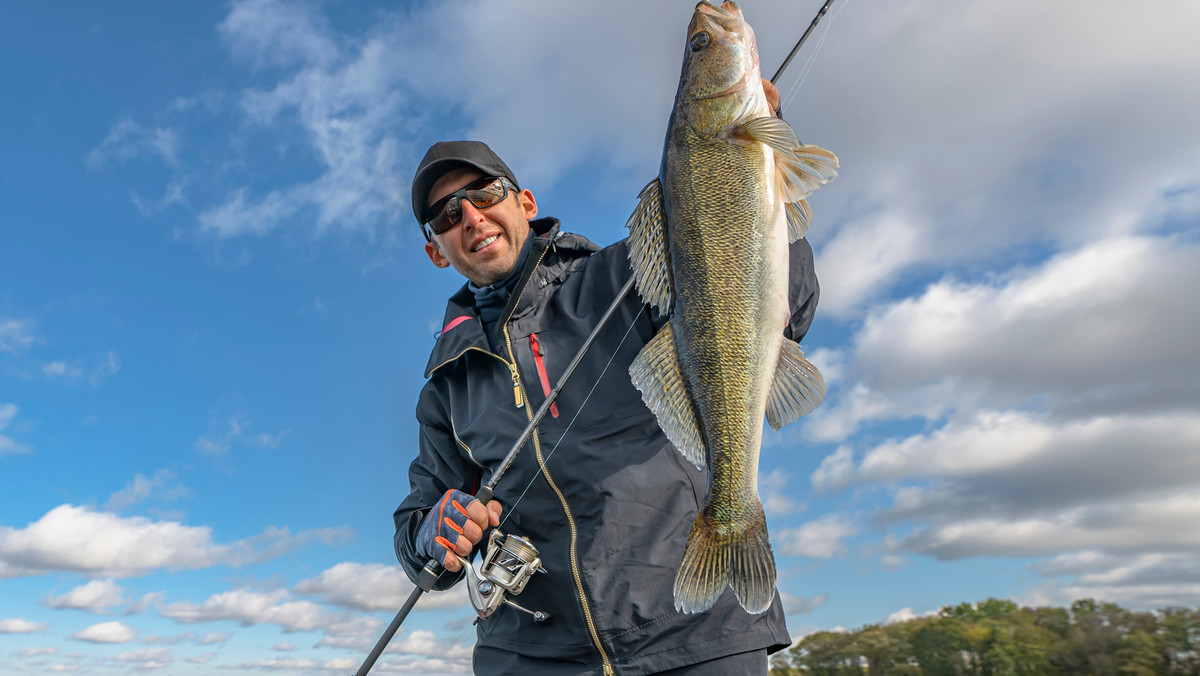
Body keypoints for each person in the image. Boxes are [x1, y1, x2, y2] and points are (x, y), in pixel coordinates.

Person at [393, 84, 819, 676]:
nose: (470, 216)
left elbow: (785, 307)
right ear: (437, 250)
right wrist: (431, 535)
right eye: (446, 215)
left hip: (695, 633)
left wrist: (754, 160)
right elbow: (416, 533)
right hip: (531, 654)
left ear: (524, 201)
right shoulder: (443, 389)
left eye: (484, 192)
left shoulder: (630, 273)